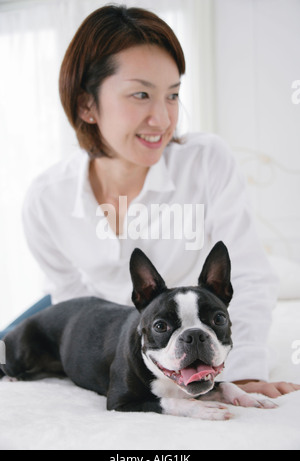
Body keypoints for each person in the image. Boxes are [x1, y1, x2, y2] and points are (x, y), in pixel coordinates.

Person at [1, 5, 299, 399]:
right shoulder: (46, 198)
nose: (162, 119)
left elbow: (250, 277)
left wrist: (236, 375)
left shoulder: (207, 161)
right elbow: (72, 302)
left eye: (173, 95)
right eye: (141, 94)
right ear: (86, 105)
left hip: (169, 322)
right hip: (90, 313)